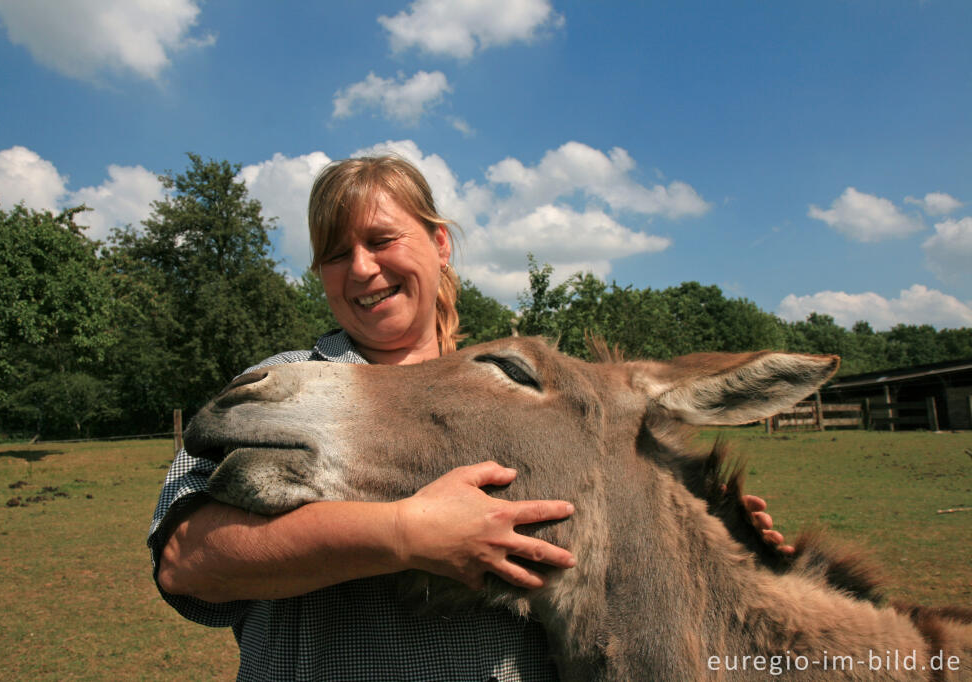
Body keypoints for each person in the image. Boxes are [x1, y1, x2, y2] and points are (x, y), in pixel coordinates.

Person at [149, 155, 787, 681]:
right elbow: (185, 562)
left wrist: (703, 532)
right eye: (336, 254)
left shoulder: (519, 403)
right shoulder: (281, 386)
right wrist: (403, 533)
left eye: (381, 239)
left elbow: (612, 574)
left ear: (439, 243)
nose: (363, 269)